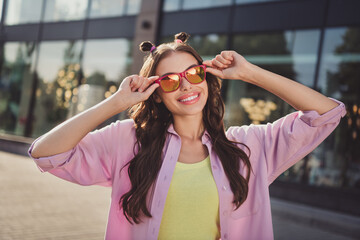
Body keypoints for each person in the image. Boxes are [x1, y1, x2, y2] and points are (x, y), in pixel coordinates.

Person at [28, 32, 346, 240]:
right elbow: (46, 153)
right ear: (156, 93)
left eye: (193, 74)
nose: (185, 86)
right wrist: (116, 103)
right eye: (169, 80)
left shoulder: (249, 146)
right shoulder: (128, 141)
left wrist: (250, 72)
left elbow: (327, 114)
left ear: (206, 78)